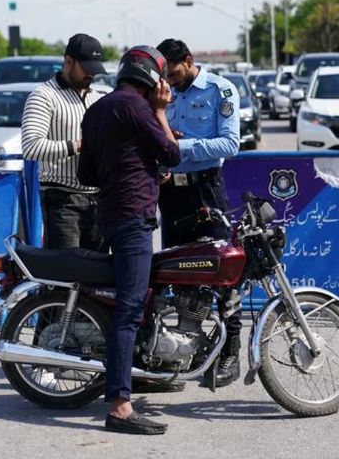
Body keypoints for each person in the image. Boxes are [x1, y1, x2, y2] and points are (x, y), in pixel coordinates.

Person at [78, 45, 180, 435]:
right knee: (129, 308)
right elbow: (171, 153)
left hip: (108, 214)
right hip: (133, 217)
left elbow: (87, 174)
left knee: (131, 300)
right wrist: (161, 112)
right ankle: (120, 406)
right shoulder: (138, 107)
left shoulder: (97, 110)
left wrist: (137, 166)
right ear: (153, 79)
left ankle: (139, 373)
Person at [155, 38, 242, 388]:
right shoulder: (162, 93)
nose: (171, 81)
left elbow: (230, 144)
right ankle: (182, 352)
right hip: (171, 194)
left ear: (189, 61)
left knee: (223, 272)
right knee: (176, 273)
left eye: (174, 73)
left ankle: (230, 350)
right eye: (166, 75)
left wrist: (181, 146)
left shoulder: (220, 90)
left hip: (205, 189)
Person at [21, 33, 107, 250]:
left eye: (95, 69)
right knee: (65, 269)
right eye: (86, 68)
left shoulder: (97, 98)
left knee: (97, 268)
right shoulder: (44, 96)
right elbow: (31, 147)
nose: (91, 74)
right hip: (63, 200)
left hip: (98, 200)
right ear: (69, 61)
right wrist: (79, 145)